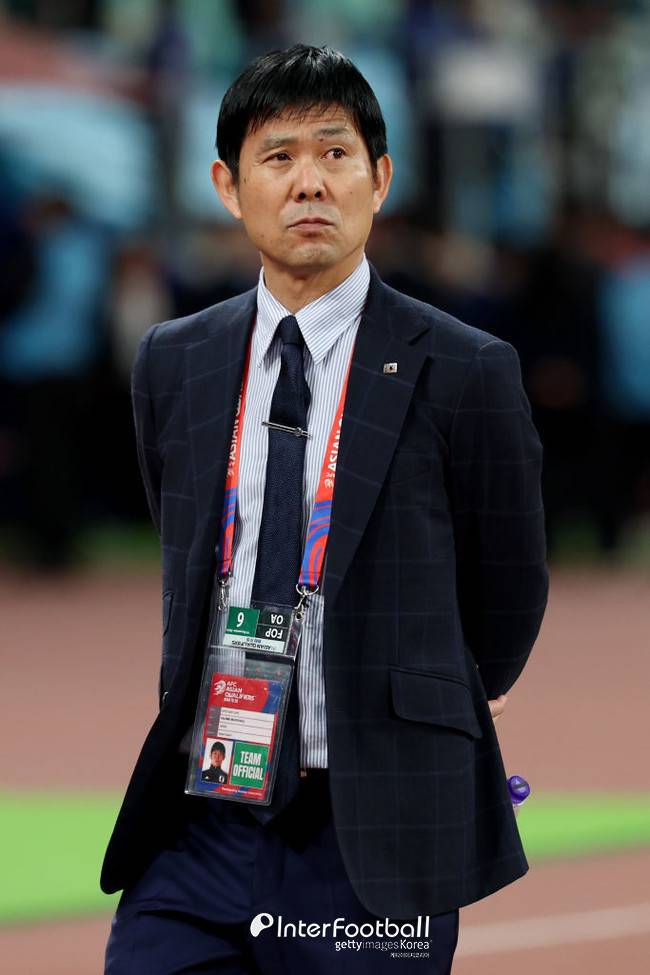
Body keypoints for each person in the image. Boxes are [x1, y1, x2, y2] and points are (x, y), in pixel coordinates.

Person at [102, 44, 548, 974]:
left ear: (380, 179)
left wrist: (430, 691)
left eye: (335, 153)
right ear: (228, 188)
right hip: (205, 816)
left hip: (373, 830)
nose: (309, 182)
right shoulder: (174, 360)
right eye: (278, 157)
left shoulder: (466, 367)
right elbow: (189, 544)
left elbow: (510, 579)